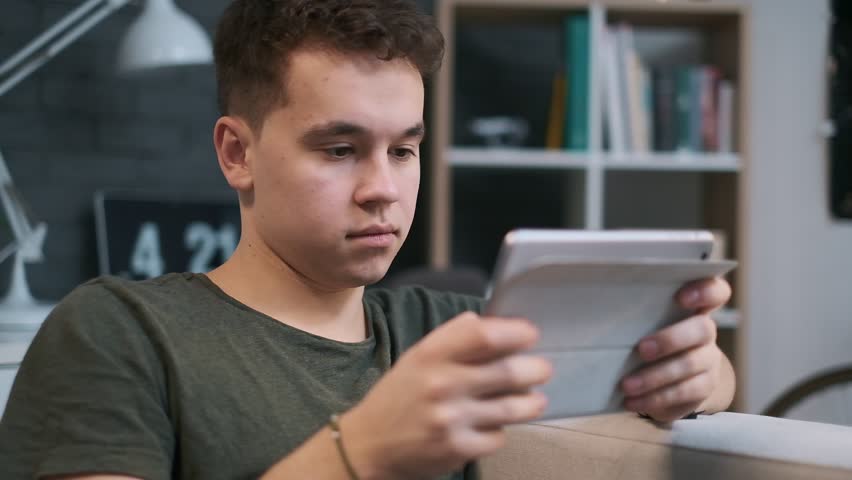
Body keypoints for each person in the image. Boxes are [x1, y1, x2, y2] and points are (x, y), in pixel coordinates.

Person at [0, 1, 736, 479]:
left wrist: (696, 375)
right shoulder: (117, 332)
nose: (383, 186)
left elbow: (685, 395)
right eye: (340, 149)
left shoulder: (455, 332)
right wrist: (362, 453)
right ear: (237, 153)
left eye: (405, 149)